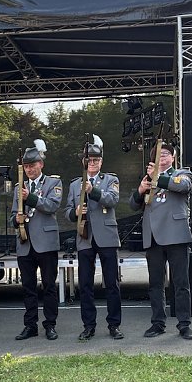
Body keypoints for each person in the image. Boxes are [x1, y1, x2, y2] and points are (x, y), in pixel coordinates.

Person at [129, 142, 192, 340]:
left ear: (173, 157)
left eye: (167, 154)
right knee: (155, 284)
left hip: (176, 235)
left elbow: (184, 186)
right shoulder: (147, 178)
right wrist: (141, 190)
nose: (163, 157)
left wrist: (158, 177)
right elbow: (133, 205)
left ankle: (184, 324)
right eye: (160, 155)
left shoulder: (182, 173)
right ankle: (158, 323)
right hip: (153, 237)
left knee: (181, 283)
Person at [64, 137, 124, 340]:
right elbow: (67, 212)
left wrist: (93, 191)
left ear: (101, 162)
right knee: (86, 284)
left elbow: (112, 200)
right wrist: (75, 212)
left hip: (106, 236)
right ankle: (88, 325)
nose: (92, 164)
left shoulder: (110, 180)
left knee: (111, 283)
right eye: (89, 160)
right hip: (85, 236)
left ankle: (114, 324)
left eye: (96, 160)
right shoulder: (74, 185)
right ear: (84, 162)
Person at [11, 141, 62, 340]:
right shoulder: (18, 186)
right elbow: (14, 213)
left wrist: (30, 197)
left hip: (46, 242)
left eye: (33, 165)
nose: (30, 169)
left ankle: (50, 324)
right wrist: (16, 219)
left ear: (41, 164)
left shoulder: (53, 183)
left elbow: (51, 206)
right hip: (25, 242)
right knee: (28, 287)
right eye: (26, 166)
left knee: (49, 285)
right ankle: (30, 325)